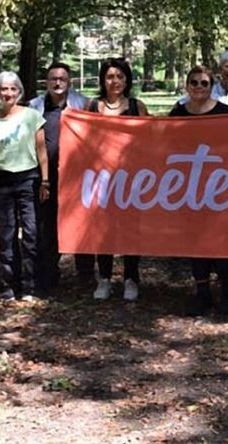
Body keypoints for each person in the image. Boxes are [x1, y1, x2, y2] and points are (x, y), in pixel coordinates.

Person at [169, 66, 228, 315]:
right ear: (187, 86)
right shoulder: (178, 114)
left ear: (211, 86)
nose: (199, 87)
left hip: (219, 185)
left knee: (222, 239)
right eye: (194, 83)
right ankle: (202, 292)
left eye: (204, 83)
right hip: (188, 187)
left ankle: (227, 291)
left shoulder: (225, 112)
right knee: (195, 240)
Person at [84, 58, 148, 301]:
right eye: (110, 76)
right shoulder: (92, 106)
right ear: (103, 80)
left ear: (127, 80)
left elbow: (149, 140)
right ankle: (105, 279)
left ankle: (131, 279)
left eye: (120, 77)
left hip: (132, 179)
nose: (115, 81)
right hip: (100, 179)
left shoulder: (137, 106)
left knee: (131, 229)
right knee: (103, 230)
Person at [0, 71, 49, 301]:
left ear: (19, 91)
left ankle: (30, 285)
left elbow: (41, 151)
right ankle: (9, 284)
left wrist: (45, 180)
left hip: (29, 180)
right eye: (4, 89)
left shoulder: (32, 116)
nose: (8, 93)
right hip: (1, 180)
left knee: (31, 233)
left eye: (13, 88)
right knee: (6, 234)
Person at [29, 63, 87, 293]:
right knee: (47, 224)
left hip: (77, 176)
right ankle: (48, 273)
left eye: (62, 78)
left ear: (69, 81)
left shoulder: (83, 104)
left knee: (81, 222)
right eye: (53, 78)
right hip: (45, 176)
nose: (57, 82)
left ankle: (85, 274)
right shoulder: (34, 107)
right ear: (46, 81)